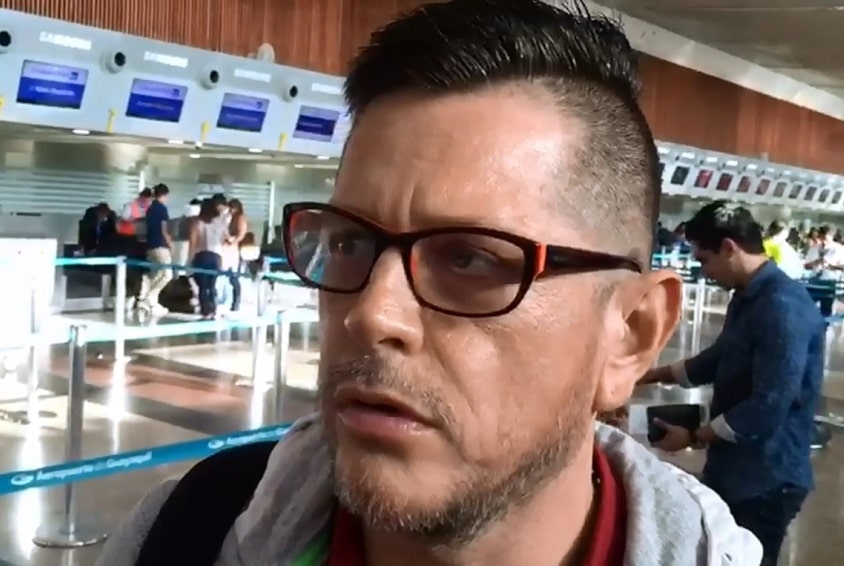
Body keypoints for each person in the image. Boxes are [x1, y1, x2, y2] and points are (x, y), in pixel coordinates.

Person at [98, 2, 761, 565]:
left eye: (470, 258)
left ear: (631, 335)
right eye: (350, 243)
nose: (371, 314)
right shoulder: (184, 533)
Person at [644, 201, 823, 566]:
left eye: (705, 259)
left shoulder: (781, 306)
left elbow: (767, 405)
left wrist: (694, 437)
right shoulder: (747, 296)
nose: (703, 270)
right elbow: (720, 357)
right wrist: (649, 375)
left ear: (729, 247)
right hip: (735, 468)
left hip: (766, 477)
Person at [188, 199, 227, 319]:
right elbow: (222, 241)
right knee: (212, 285)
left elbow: (193, 243)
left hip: (202, 256)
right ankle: (213, 308)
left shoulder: (198, 223)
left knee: (203, 286)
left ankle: (205, 311)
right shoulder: (219, 223)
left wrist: (189, 259)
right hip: (216, 257)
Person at [138, 183, 172, 316]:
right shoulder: (161, 209)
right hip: (160, 245)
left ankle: (149, 301)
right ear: (164, 195)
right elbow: (163, 228)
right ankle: (150, 298)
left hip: (150, 245)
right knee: (166, 274)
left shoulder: (150, 208)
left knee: (154, 273)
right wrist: (169, 241)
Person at [803, 225, 844, 318]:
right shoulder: (814, 248)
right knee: (807, 307)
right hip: (814, 281)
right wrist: (816, 262)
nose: (823, 242)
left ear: (832, 237)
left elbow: (842, 267)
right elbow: (806, 266)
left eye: (826, 239)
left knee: (826, 311)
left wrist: (830, 266)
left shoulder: (839, 249)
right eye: (821, 238)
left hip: (829, 282)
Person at [222, 198, 249, 312]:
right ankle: (233, 301)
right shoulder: (231, 217)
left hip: (235, 250)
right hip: (230, 249)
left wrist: (233, 240)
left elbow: (241, 234)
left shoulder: (240, 218)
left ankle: (236, 302)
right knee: (231, 277)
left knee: (234, 277)